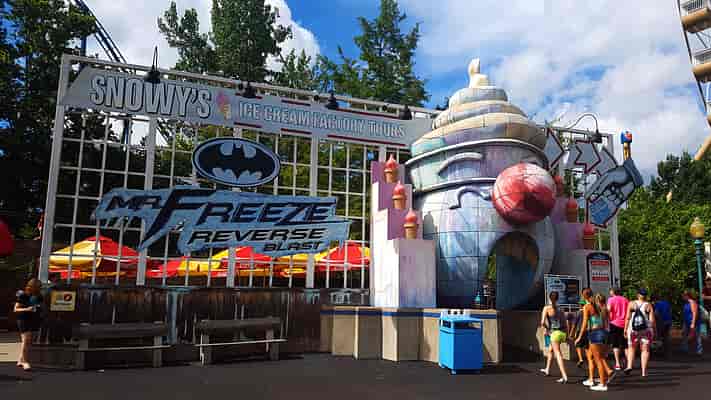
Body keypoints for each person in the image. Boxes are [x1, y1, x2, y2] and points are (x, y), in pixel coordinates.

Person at [576, 289, 612, 392]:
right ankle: (603, 379)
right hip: (603, 333)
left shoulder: (588, 307)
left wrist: (579, 337)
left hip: (595, 333)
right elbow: (606, 323)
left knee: (598, 360)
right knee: (600, 358)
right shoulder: (603, 308)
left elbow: (584, 323)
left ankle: (603, 384)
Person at [539, 291, 569, 383]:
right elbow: (565, 323)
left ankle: (564, 376)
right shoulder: (561, 309)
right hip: (562, 333)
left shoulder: (547, 308)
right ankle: (547, 369)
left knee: (558, 354)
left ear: (549, 298)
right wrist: (567, 335)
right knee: (551, 350)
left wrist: (548, 329)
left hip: (554, 333)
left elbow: (542, 322)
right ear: (557, 298)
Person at [624, 288, 655, 377]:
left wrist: (625, 329)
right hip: (645, 330)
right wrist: (654, 330)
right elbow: (652, 320)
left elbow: (628, 318)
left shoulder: (631, 304)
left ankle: (629, 366)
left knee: (631, 348)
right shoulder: (648, 305)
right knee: (645, 350)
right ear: (645, 296)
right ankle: (644, 372)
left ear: (638, 295)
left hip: (633, 330)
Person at [13, 278, 43, 371]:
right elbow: (15, 309)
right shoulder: (23, 295)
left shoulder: (39, 296)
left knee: (29, 341)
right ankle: (25, 362)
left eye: (40, 286)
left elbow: (41, 305)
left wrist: (40, 308)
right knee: (26, 340)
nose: (39, 288)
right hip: (23, 319)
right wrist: (27, 309)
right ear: (31, 286)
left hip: (34, 319)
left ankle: (20, 360)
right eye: (37, 286)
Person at [607, 287, 629, 370]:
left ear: (613, 292)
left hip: (614, 323)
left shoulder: (611, 300)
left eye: (610, 291)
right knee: (625, 345)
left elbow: (608, 310)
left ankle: (617, 364)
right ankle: (628, 364)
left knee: (615, 344)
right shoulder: (626, 300)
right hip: (625, 324)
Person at [681, 290, 703, 355]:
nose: (682, 297)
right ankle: (685, 348)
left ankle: (699, 350)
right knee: (684, 334)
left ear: (687, 296)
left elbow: (694, 313)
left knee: (697, 336)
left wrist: (693, 323)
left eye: (684, 296)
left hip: (694, 322)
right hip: (686, 322)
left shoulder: (692, 302)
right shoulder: (686, 303)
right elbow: (685, 314)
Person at [652, 293, 673, 360]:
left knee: (658, 336)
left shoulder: (658, 304)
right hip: (668, 321)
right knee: (666, 337)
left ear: (654, 299)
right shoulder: (666, 303)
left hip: (661, 322)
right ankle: (667, 352)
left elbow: (656, 313)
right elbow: (670, 311)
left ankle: (659, 352)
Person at [568, 299, 587, 369]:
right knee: (587, 346)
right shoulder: (587, 312)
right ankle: (589, 359)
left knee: (577, 345)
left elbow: (574, 325)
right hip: (587, 331)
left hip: (579, 331)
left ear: (580, 305)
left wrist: (571, 333)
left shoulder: (578, 313)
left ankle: (581, 359)